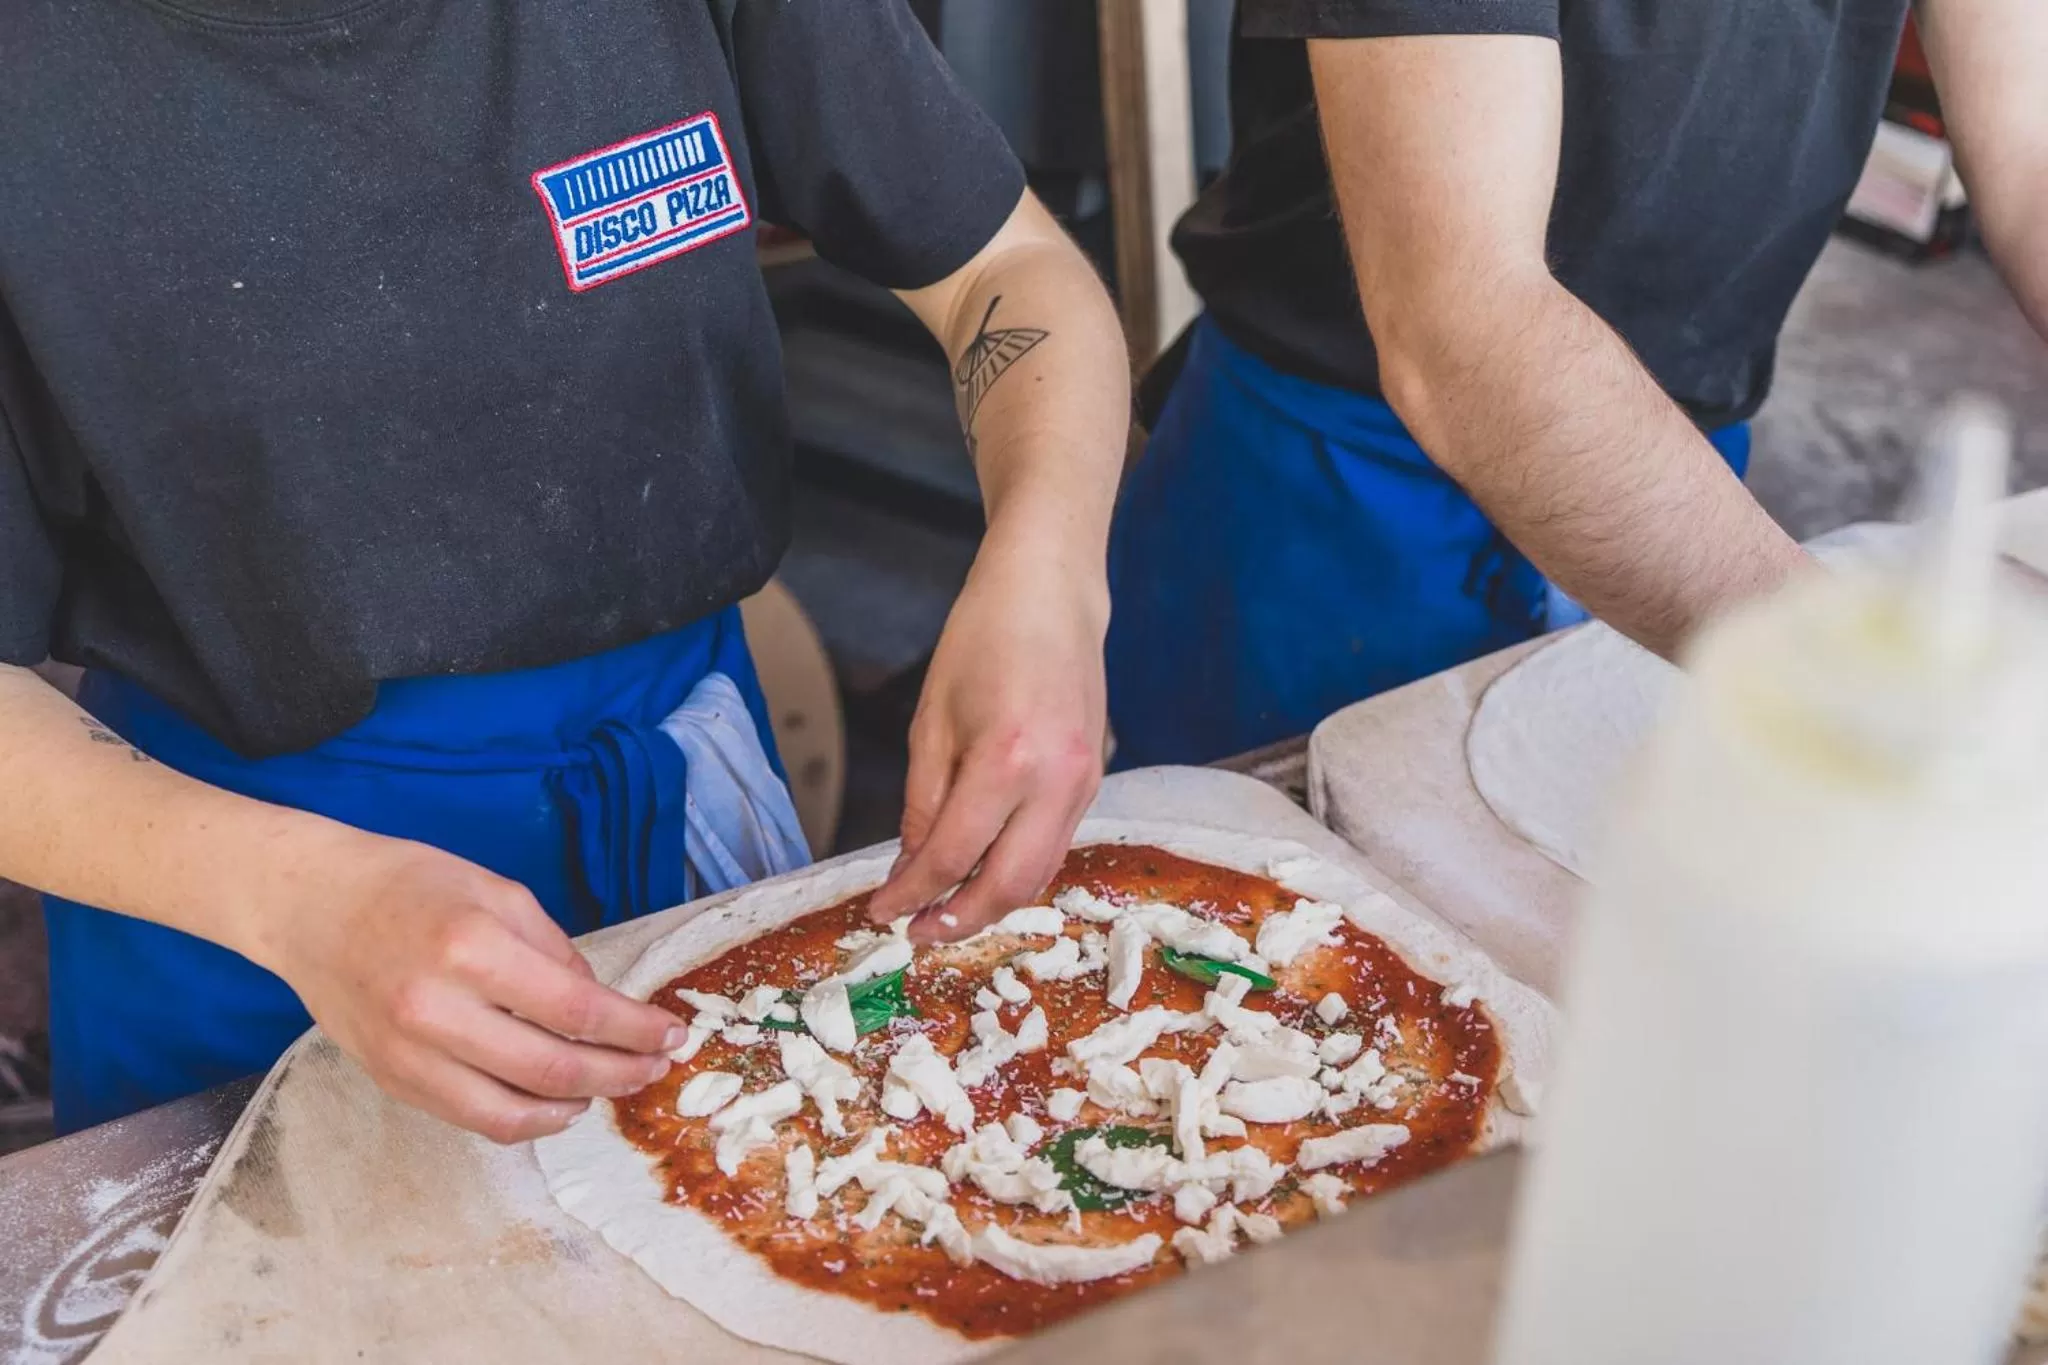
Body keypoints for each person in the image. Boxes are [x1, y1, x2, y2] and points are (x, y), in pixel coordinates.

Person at [0, 0, 1128, 1138]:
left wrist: (1048, 569)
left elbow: (1002, 261)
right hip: (239, 907)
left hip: (678, 813)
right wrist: (296, 900)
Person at [1106, 0, 2048, 767]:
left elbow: (2030, 143)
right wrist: (1838, 664)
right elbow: (1465, 328)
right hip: (1336, 498)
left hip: (1681, 485)